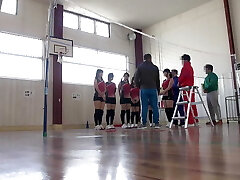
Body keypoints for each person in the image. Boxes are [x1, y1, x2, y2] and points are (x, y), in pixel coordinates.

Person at [135, 54, 160, 129]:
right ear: (150, 58)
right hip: (153, 88)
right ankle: (156, 123)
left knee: (144, 106)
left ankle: (144, 123)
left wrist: (139, 86)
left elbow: (136, 79)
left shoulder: (140, 67)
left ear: (144, 59)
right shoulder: (155, 68)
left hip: (144, 89)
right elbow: (157, 80)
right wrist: (157, 90)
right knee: (155, 106)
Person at [178, 54, 198, 125]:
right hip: (190, 87)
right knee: (192, 104)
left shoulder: (185, 67)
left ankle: (190, 121)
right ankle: (195, 119)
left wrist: (179, 82)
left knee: (187, 105)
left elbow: (182, 77)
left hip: (186, 88)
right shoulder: (190, 67)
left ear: (185, 60)